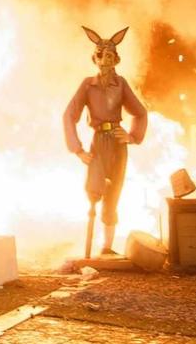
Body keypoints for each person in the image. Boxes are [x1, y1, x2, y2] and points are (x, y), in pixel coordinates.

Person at [62, 26, 148, 259]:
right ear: (95, 58)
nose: (105, 60)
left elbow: (140, 112)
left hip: (118, 145)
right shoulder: (87, 85)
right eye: (101, 55)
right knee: (94, 188)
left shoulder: (120, 84)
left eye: (110, 56)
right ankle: (88, 246)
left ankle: (106, 247)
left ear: (116, 59)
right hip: (98, 143)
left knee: (114, 193)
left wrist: (132, 136)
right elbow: (70, 114)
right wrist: (78, 149)